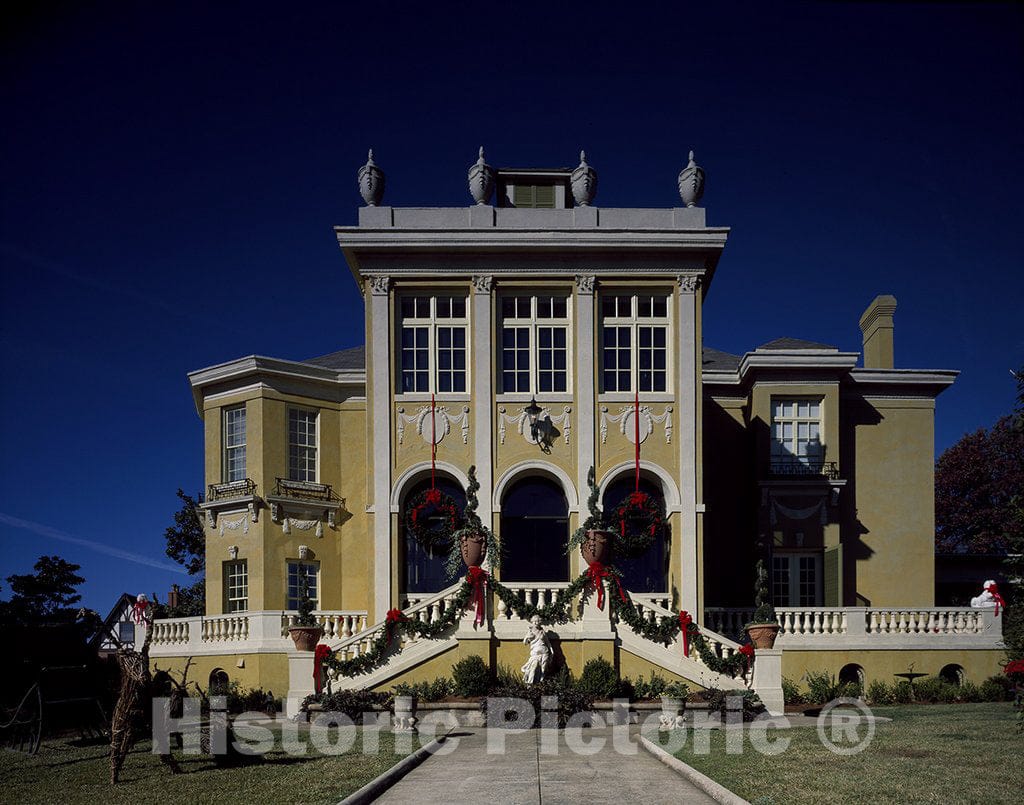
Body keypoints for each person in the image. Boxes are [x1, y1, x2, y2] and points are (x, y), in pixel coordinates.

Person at [521, 615, 552, 684]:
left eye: (537, 621)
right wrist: (527, 638)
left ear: (540, 622)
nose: (536, 623)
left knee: (543, 670)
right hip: (535, 653)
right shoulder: (530, 631)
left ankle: (540, 684)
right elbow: (525, 642)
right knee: (533, 667)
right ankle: (530, 684)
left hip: (545, 652)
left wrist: (552, 651)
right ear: (532, 622)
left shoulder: (542, 631)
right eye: (534, 621)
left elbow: (548, 642)